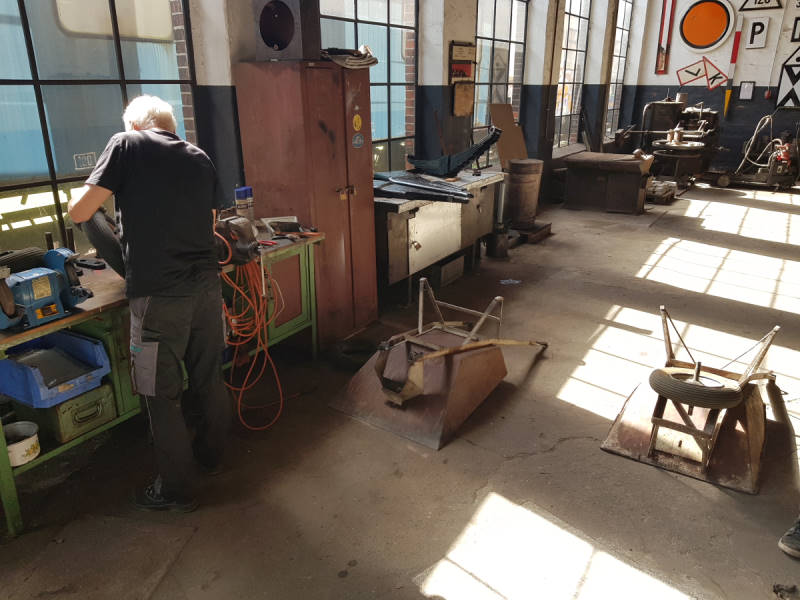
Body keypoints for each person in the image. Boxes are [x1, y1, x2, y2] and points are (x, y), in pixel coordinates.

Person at [68, 95, 229, 512]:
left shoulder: (126, 143)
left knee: (161, 394)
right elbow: (209, 225)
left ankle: (176, 490)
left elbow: (81, 211)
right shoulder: (199, 157)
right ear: (171, 127)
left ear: (135, 125)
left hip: (159, 296)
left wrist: (88, 207)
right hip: (206, 288)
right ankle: (212, 458)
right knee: (209, 377)